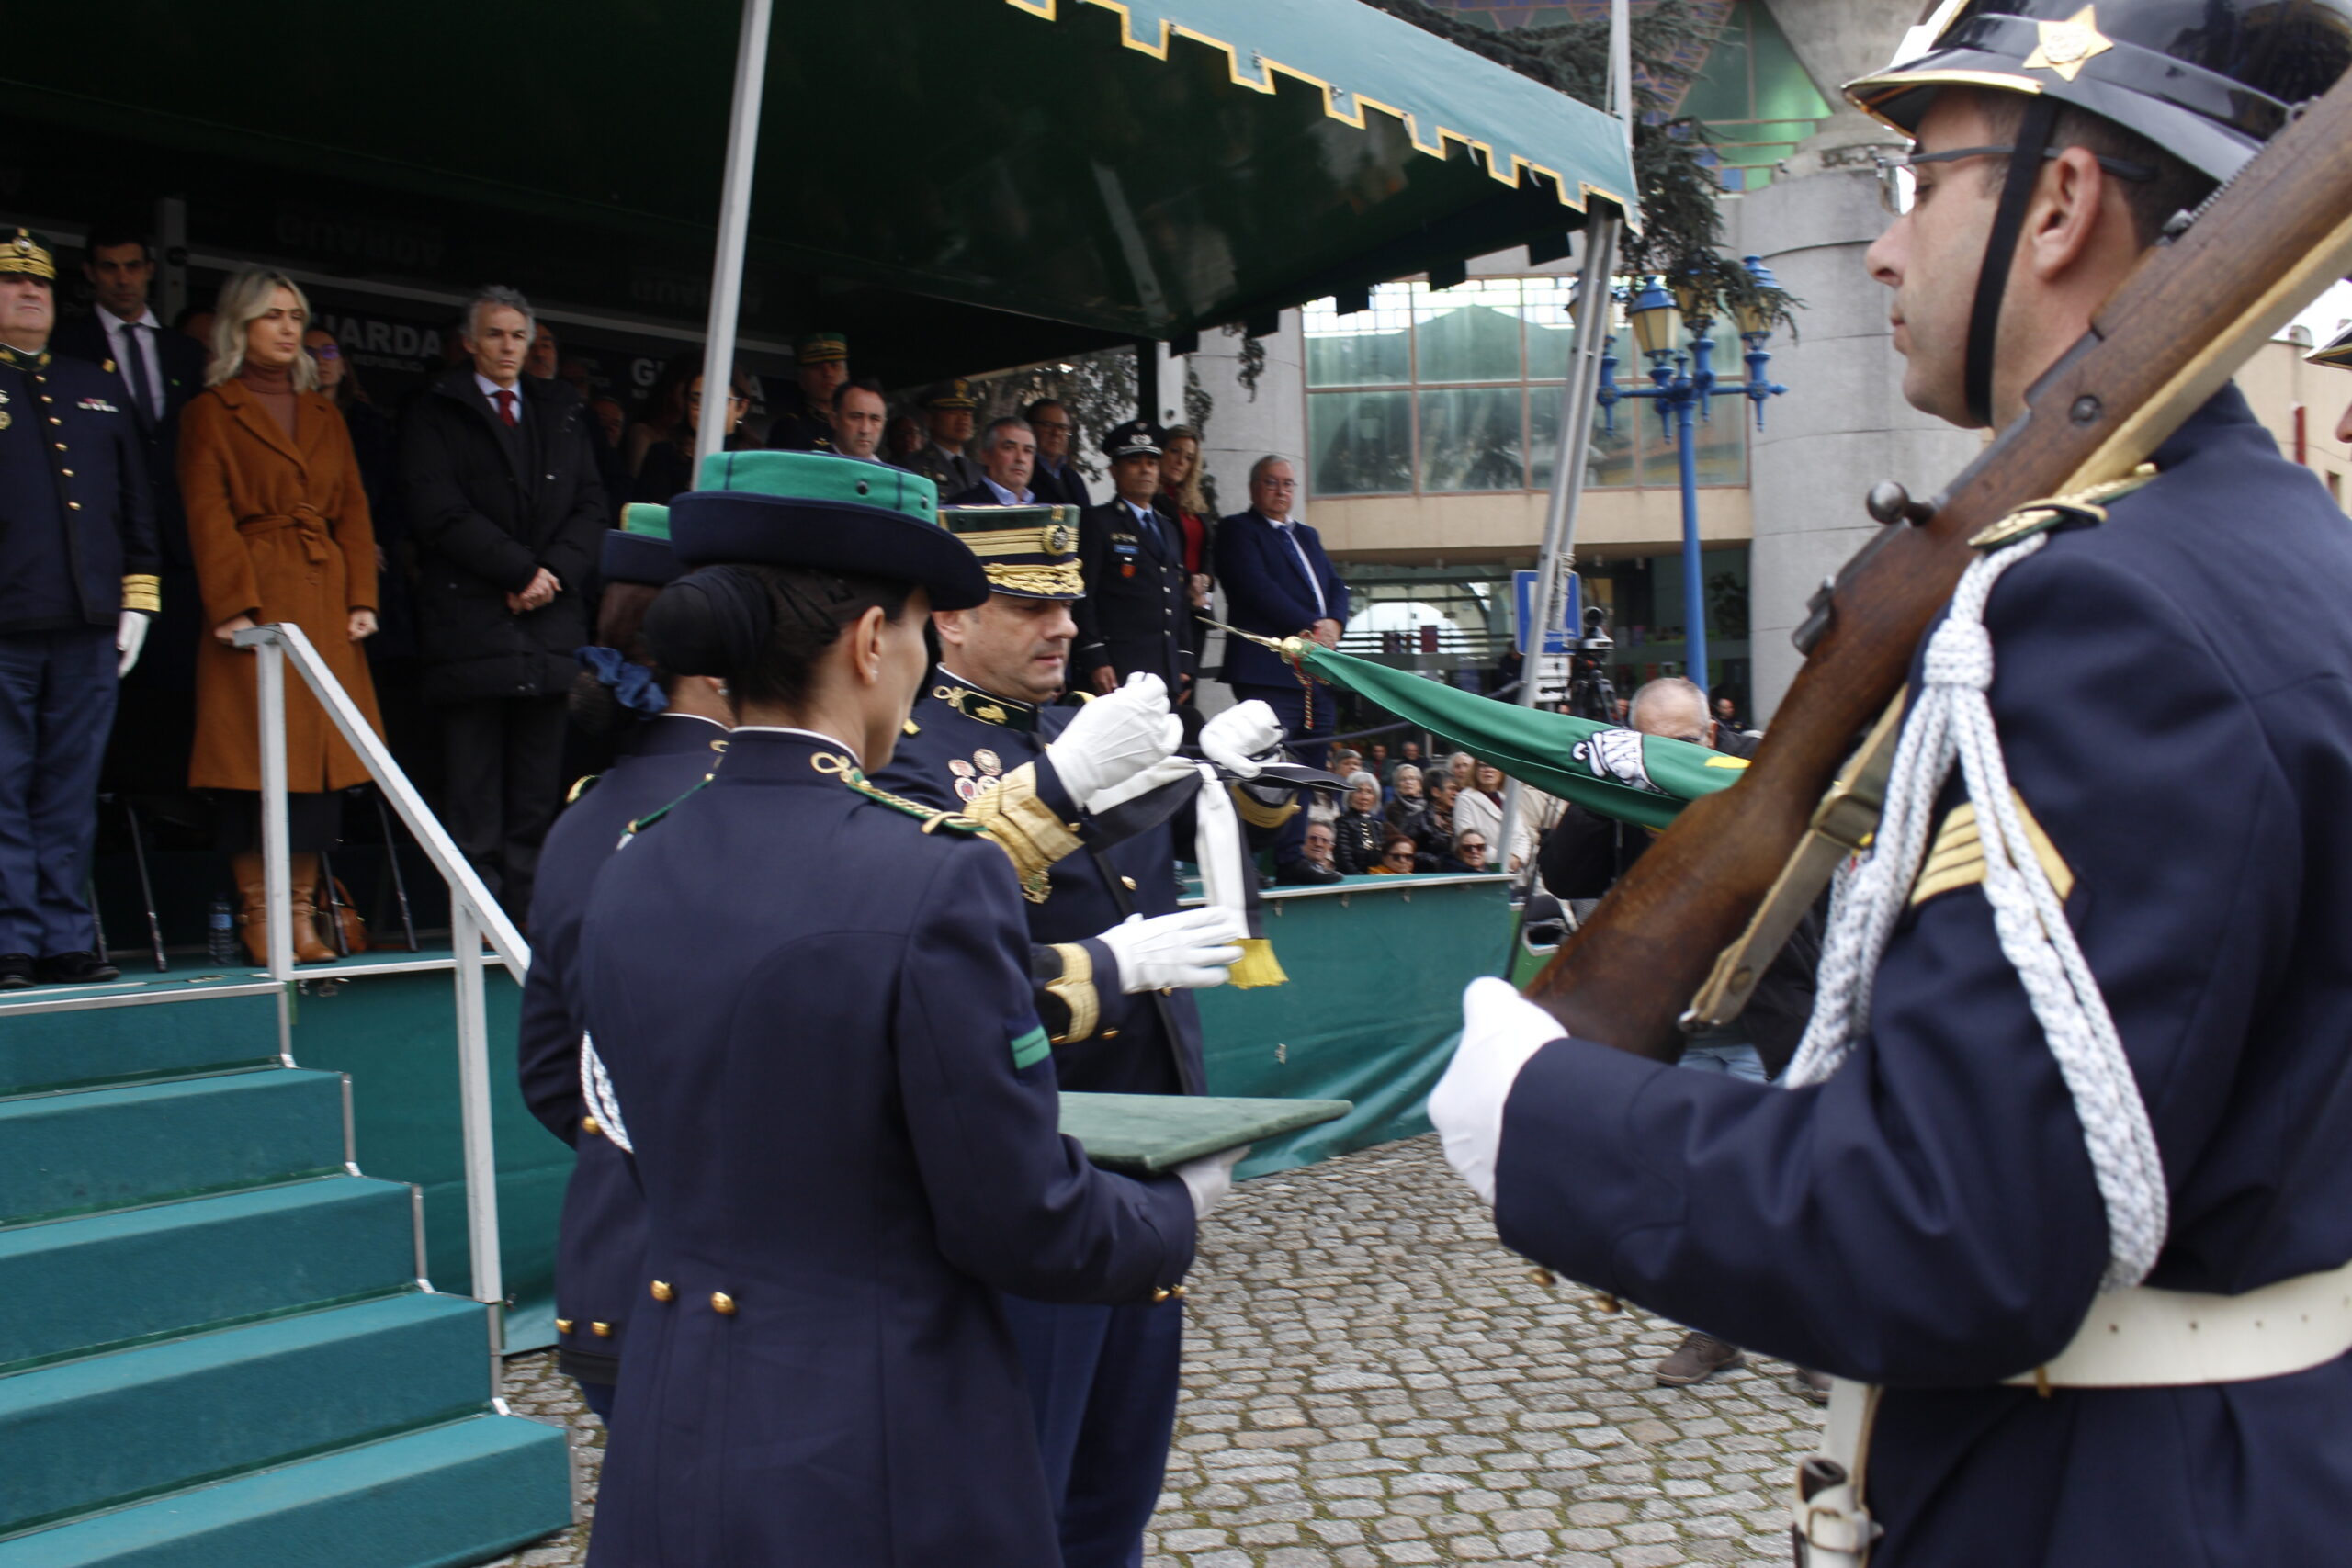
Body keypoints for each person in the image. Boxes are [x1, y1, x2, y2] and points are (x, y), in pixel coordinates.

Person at [1432, 6, 2352, 1564]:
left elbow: (1955, 1225)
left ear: (2059, 207)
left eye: (1919, 182)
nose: (1880, 247)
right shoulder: (2272, 562)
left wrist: (1550, 1118)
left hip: (2119, 1501)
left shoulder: (2108, 609)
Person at [575, 453, 1232, 1568]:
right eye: (927, 629)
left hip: (682, 1408)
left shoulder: (636, 850)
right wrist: (1180, 1214)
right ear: (872, 642)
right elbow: (1014, 1210)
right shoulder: (933, 873)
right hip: (876, 1435)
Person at [875, 484, 1283, 1568]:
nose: (1063, 625)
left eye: (1067, 602)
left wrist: (1219, 776)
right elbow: (918, 934)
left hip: (1141, 1156)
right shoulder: (906, 751)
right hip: (1029, 1149)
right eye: (1026, 604)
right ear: (950, 617)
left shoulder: (1079, 730)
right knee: (1022, 1479)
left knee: (1119, 1478)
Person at [1533, 675, 1824, 1392]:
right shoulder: (1627, 792)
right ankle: (1715, 1329)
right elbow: (1565, 869)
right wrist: (1610, 785)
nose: (1673, 757)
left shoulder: (1758, 773)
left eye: (1685, 744)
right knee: (1697, 1189)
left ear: (1712, 733)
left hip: (1770, 1012)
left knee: (1785, 1182)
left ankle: (1815, 1338)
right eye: (1653, 745)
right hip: (1677, 1025)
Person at [515, 502, 729, 1422]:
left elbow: (551, 1077)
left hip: (614, 1273)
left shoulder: (586, 812)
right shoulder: (749, 806)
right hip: (741, 1295)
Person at [178, 270, 383, 965]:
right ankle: (260, 914)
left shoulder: (324, 412)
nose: (289, 328)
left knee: (321, 771)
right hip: (256, 605)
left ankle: (302, 914)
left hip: (325, 602)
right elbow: (207, 515)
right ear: (241, 326)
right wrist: (233, 607)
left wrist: (362, 598)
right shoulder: (211, 410)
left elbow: (353, 508)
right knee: (251, 768)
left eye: (296, 315)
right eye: (272, 316)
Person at [401, 285, 607, 921]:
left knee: (536, 798)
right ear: (469, 342)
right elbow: (436, 512)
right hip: (472, 632)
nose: (508, 347)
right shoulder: (437, 410)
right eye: (494, 334)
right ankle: (477, 929)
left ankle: (526, 929)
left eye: (519, 335)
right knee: (473, 797)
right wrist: (520, 571)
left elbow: (592, 507)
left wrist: (550, 575)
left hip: (547, 634)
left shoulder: (561, 409)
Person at [0, 229, 156, 987]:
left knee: (68, 790)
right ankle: (11, 941)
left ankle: (65, 935)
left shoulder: (89, 382)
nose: (29, 293)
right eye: (10, 283)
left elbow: (135, 502)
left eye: (39, 285)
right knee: (3, 786)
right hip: (7, 622)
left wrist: (139, 592)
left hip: (90, 621)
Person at [1216, 456, 1346, 868]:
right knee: (1270, 768)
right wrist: (1310, 625)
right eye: (1272, 483)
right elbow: (1255, 588)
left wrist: (1336, 623)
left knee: (1308, 765)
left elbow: (1335, 585)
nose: (1281, 490)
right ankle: (1256, 860)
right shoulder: (1239, 530)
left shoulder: (1306, 535)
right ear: (1255, 488)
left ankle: (1293, 856)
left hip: (1314, 673)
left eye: (1288, 483)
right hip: (1268, 669)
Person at [1075, 419, 1193, 702]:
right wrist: (1096, 657)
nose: (1145, 470)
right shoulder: (1098, 521)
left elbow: (1177, 595)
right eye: (1134, 462)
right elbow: (1083, 595)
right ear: (1114, 471)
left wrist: (1184, 661)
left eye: (1152, 462)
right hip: (1119, 668)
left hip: (1164, 669)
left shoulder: (1168, 527)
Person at [633, 367, 753, 503]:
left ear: (741, 407)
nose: (705, 409)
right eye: (696, 400)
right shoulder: (662, 454)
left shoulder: (754, 462)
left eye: (718, 400)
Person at [1157, 423, 1214, 676]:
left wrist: (1206, 580)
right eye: (1175, 451)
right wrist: (1187, 583)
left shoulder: (1195, 502)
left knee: (1189, 682)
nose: (1181, 461)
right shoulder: (1150, 499)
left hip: (1197, 606)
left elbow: (1209, 550)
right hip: (1168, 602)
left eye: (1189, 457)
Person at [766, 333, 850, 451]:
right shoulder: (791, 427)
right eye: (817, 367)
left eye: (834, 366)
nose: (828, 373)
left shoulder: (853, 426)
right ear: (802, 380)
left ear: (846, 376)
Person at [899, 378, 981, 493]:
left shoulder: (978, 470)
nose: (963, 420)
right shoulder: (912, 466)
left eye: (967, 413)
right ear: (930, 419)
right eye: (953, 412)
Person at [947, 416, 1036, 506]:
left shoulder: (1043, 505)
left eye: (1028, 451)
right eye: (1009, 448)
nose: (1020, 458)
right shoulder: (963, 506)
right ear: (986, 456)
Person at [1025, 398, 1092, 508]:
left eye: (1062, 427)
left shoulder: (1074, 479)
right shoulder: (1021, 472)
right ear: (1030, 428)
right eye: (1047, 425)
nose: (1056, 433)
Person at [1330, 772, 1385, 874]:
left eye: (1369, 792)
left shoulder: (1377, 825)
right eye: (1359, 791)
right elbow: (1344, 860)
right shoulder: (1342, 823)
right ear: (1349, 795)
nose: (1364, 797)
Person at [1450, 761, 1505, 858]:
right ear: (1475, 770)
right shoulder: (1465, 798)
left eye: (1494, 765)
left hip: (1515, 867)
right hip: (1486, 865)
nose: (1488, 770)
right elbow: (1467, 838)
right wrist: (1503, 859)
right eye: (1483, 766)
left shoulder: (1505, 798)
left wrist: (1517, 857)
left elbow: (1521, 835)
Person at [830, 377, 889, 463]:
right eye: (856, 417)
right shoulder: (813, 467)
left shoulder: (892, 474)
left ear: (884, 423)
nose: (865, 429)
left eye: (875, 419)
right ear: (834, 420)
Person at [1279, 819, 1341, 885]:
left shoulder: (1329, 876)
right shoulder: (1288, 874)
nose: (1318, 844)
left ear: (1330, 848)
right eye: (1313, 838)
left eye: (1324, 840)